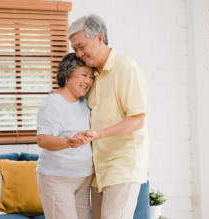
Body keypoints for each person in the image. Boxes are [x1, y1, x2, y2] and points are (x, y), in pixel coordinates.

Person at [66, 14, 149, 219]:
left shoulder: (126, 68)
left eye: (82, 46)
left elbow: (137, 119)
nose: (79, 54)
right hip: (99, 169)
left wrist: (99, 134)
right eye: (75, 49)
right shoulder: (90, 75)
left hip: (123, 166)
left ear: (100, 38)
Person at [36, 53, 94, 219]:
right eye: (84, 74)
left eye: (91, 76)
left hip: (82, 179)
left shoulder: (83, 100)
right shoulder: (53, 103)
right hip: (58, 179)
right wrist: (69, 142)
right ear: (67, 74)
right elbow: (43, 139)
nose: (88, 81)